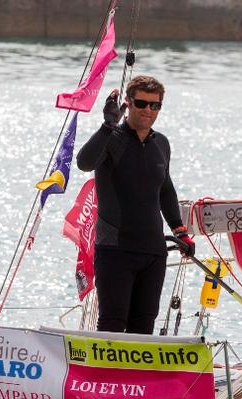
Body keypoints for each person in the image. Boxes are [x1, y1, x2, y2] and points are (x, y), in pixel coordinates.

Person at [77, 75, 195, 336]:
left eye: (155, 105)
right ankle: (105, 377)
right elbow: (84, 163)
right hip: (115, 250)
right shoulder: (112, 138)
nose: (148, 111)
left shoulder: (161, 143)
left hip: (153, 252)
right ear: (128, 103)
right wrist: (108, 125)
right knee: (112, 324)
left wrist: (179, 230)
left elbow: (165, 188)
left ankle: (133, 378)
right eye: (142, 103)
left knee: (143, 326)